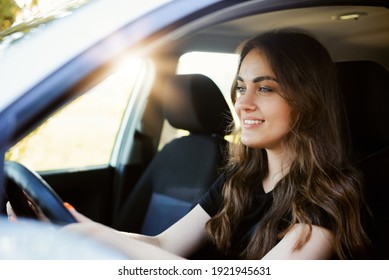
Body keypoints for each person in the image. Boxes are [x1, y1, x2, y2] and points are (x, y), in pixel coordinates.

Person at [7, 29, 371, 259]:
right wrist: (73, 223)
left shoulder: (329, 200)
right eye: (241, 86)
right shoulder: (237, 181)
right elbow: (164, 246)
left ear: (308, 101)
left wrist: (79, 237)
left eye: (265, 87)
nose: (242, 102)